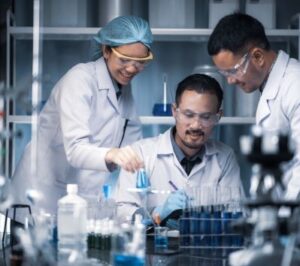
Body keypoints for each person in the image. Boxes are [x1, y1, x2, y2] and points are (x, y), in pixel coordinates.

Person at [9, 15, 153, 222]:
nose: (132, 68)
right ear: (106, 50)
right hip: (41, 195)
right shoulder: (80, 80)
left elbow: (136, 146)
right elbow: (76, 151)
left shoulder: (123, 90)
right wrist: (114, 154)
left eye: (140, 62)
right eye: (124, 59)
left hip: (81, 198)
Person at [114, 74, 243, 223]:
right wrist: (157, 214)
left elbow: (235, 213)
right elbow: (122, 212)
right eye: (188, 115)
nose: (195, 125)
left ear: (218, 116)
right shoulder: (141, 153)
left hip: (203, 244)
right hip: (153, 245)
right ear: (175, 111)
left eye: (206, 117)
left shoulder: (225, 157)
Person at [207, 13, 300, 200]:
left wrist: (283, 217)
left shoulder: (295, 85)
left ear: (257, 56)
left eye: (233, 71)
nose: (231, 81)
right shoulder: (271, 86)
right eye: (224, 74)